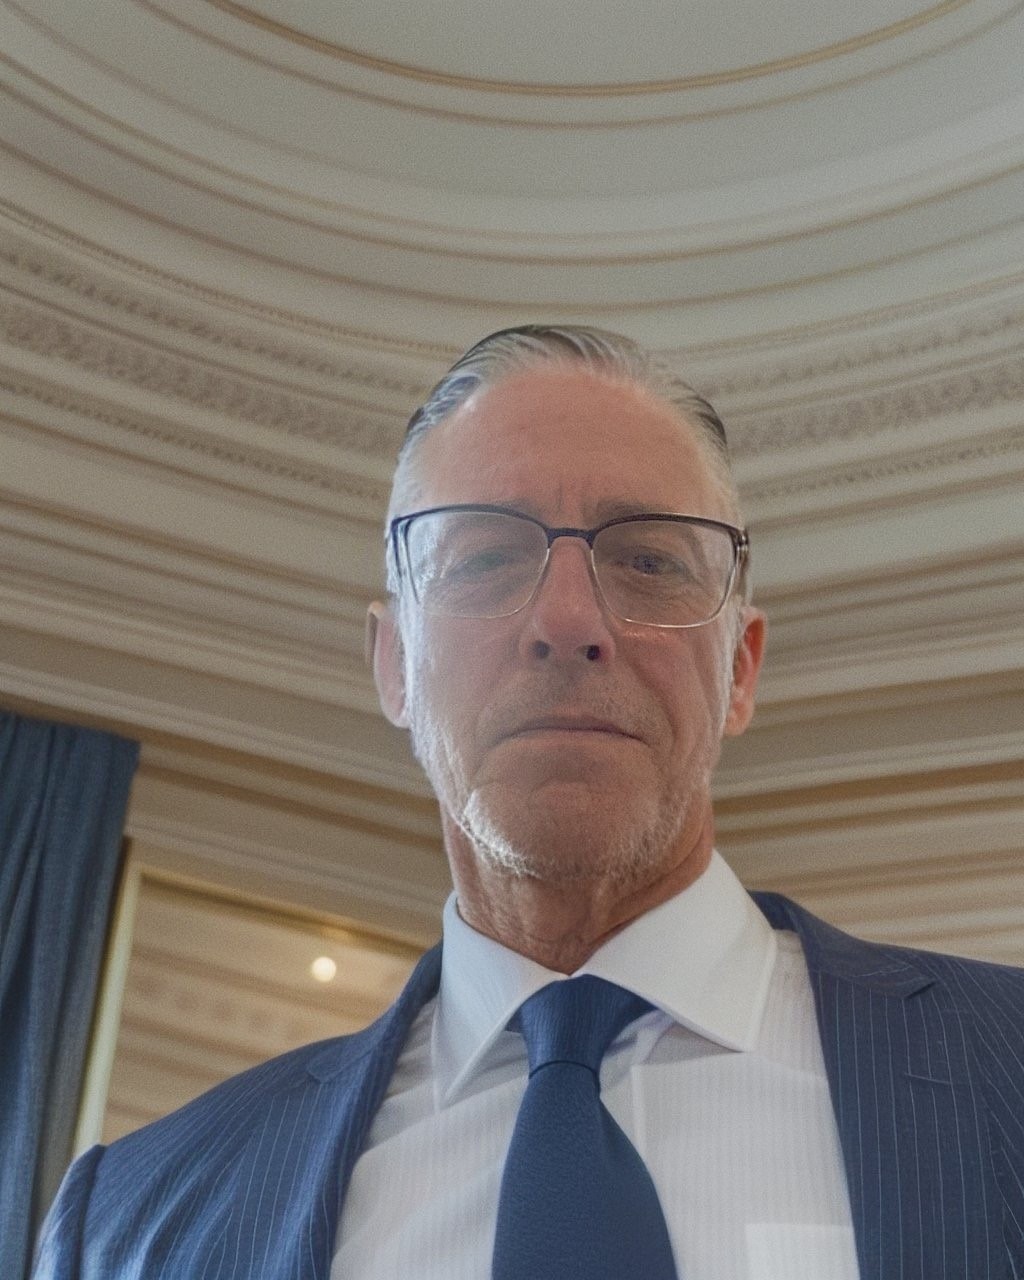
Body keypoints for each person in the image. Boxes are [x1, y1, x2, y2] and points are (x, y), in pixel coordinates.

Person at [33, 326, 1024, 1279]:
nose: (567, 619)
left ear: (740, 670)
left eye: (647, 560)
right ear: (394, 665)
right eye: (484, 557)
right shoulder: (129, 1224)